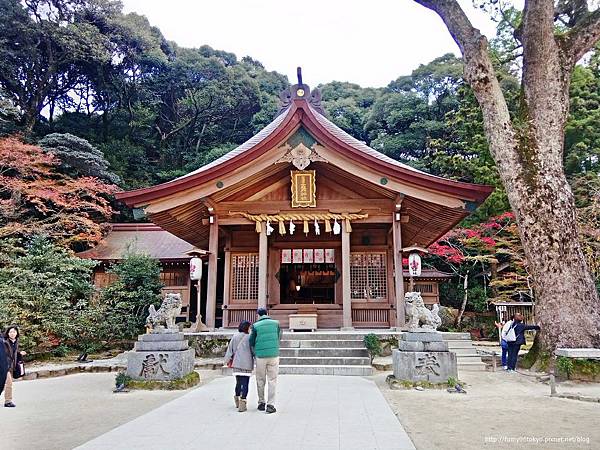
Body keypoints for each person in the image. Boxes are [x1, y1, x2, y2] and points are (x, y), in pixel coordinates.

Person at [249, 307, 281, 414]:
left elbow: (251, 341)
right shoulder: (276, 323)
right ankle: (271, 404)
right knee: (272, 380)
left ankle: (261, 402)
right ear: (267, 313)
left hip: (260, 356)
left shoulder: (256, 326)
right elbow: (278, 336)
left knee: (260, 379)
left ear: (258, 315)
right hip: (273, 354)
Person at [224, 320, 254, 412]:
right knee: (245, 383)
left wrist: (226, 360)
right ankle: (243, 403)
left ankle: (237, 399)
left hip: (236, 363)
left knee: (238, 382)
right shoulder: (250, 337)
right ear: (247, 328)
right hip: (247, 364)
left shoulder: (235, 336)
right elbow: (253, 350)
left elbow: (230, 350)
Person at [4, 326, 26, 407]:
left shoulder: (16, 341)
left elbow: (14, 353)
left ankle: (8, 400)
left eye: (14, 332)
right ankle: (8, 401)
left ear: (16, 333)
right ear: (8, 333)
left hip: (11, 366)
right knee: (9, 383)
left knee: (5, 384)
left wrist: (20, 353)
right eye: (10, 332)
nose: (12, 333)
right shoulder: (4, 341)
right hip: (4, 366)